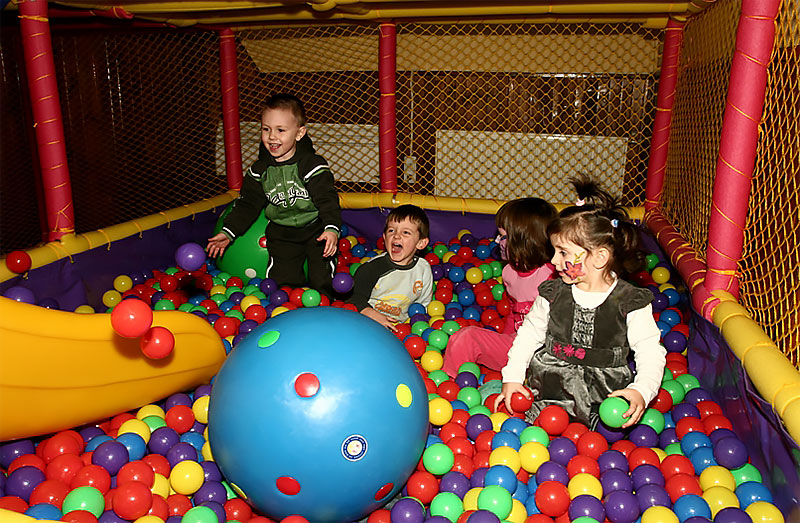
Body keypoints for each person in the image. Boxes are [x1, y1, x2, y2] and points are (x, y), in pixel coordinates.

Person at [495, 177, 666, 429]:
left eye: (563, 252)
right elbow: (528, 336)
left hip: (606, 400)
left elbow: (650, 351)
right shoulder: (553, 294)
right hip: (550, 392)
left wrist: (641, 390)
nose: (553, 261)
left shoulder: (630, 302)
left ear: (599, 257)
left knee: (607, 438)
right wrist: (512, 378)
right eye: (554, 251)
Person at [206, 93, 341, 297]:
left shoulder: (311, 166)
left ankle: (325, 308)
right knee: (282, 283)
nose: (272, 137)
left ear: (299, 133)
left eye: (280, 130)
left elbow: (327, 199)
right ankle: (288, 311)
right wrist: (228, 232)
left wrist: (331, 229)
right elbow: (247, 204)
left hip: (316, 228)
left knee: (322, 279)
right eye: (266, 129)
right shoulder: (259, 171)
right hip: (282, 232)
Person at [442, 197, 557, 377]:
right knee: (466, 339)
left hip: (546, 355)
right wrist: (504, 339)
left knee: (468, 337)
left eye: (503, 236)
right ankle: (450, 383)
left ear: (525, 240)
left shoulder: (552, 275)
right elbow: (513, 312)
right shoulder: (509, 273)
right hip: (518, 347)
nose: (496, 241)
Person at [347, 205, 434, 330]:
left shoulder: (423, 269)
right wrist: (373, 315)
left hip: (401, 329)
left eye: (405, 232)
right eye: (391, 231)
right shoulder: (372, 268)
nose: (396, 236)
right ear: (384, 237)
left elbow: (422, 306)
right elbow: (353, 298)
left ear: (421, 243)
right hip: (367, 323)